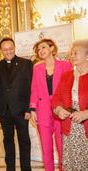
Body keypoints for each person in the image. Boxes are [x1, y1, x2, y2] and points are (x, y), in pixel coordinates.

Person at [29, 39, 71, 171]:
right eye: (38, 50)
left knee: (62, 147)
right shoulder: (37, 68)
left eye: (43, 47)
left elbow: (70, 87)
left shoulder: (65, 65)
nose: (40, 51)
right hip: (42, 111)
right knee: (46, 149)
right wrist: (33, 109)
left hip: (61, 110)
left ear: (52, 48)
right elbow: (34, 90)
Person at [0, 37, 32, 171]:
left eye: (10, 48)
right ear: (1, 51)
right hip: (5, 111)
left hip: (22, 110)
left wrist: (29, 109)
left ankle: (26, 169)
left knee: (24, 142)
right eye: (5, 50)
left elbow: (30, 88)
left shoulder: (26, 64)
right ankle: (10, 168)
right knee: (8, 142)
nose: (8, 51)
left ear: (14, 48)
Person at [52, 39, 88, 170]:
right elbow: (56, 98)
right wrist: (58, 110)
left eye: (76, 53)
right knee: (71, 162)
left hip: (85, 130)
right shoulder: (66, 76)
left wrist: (86, 113)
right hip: (69, 128)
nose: (72, 56)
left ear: (87, 56)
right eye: (71, 53)